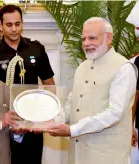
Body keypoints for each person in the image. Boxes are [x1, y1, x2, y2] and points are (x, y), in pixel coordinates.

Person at [46, 17, 137, 164]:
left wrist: (72, 130)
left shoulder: (124, 68)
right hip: (78, 155)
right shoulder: (83, 67)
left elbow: (114, 113)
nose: (86, 43)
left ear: (109, 38)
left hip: (107, 157)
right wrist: (53, 121)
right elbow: (72, 102)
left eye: (92, 38)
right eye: (83, 39)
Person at [0, 4, 55, 164]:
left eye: (17, 24)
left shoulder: (36, 48)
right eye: (8, 25)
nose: (14, 29)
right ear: (0, 26)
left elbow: (49, 84)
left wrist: (47, 115)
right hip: (5, 121)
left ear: (22, 23)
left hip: (32, 121)